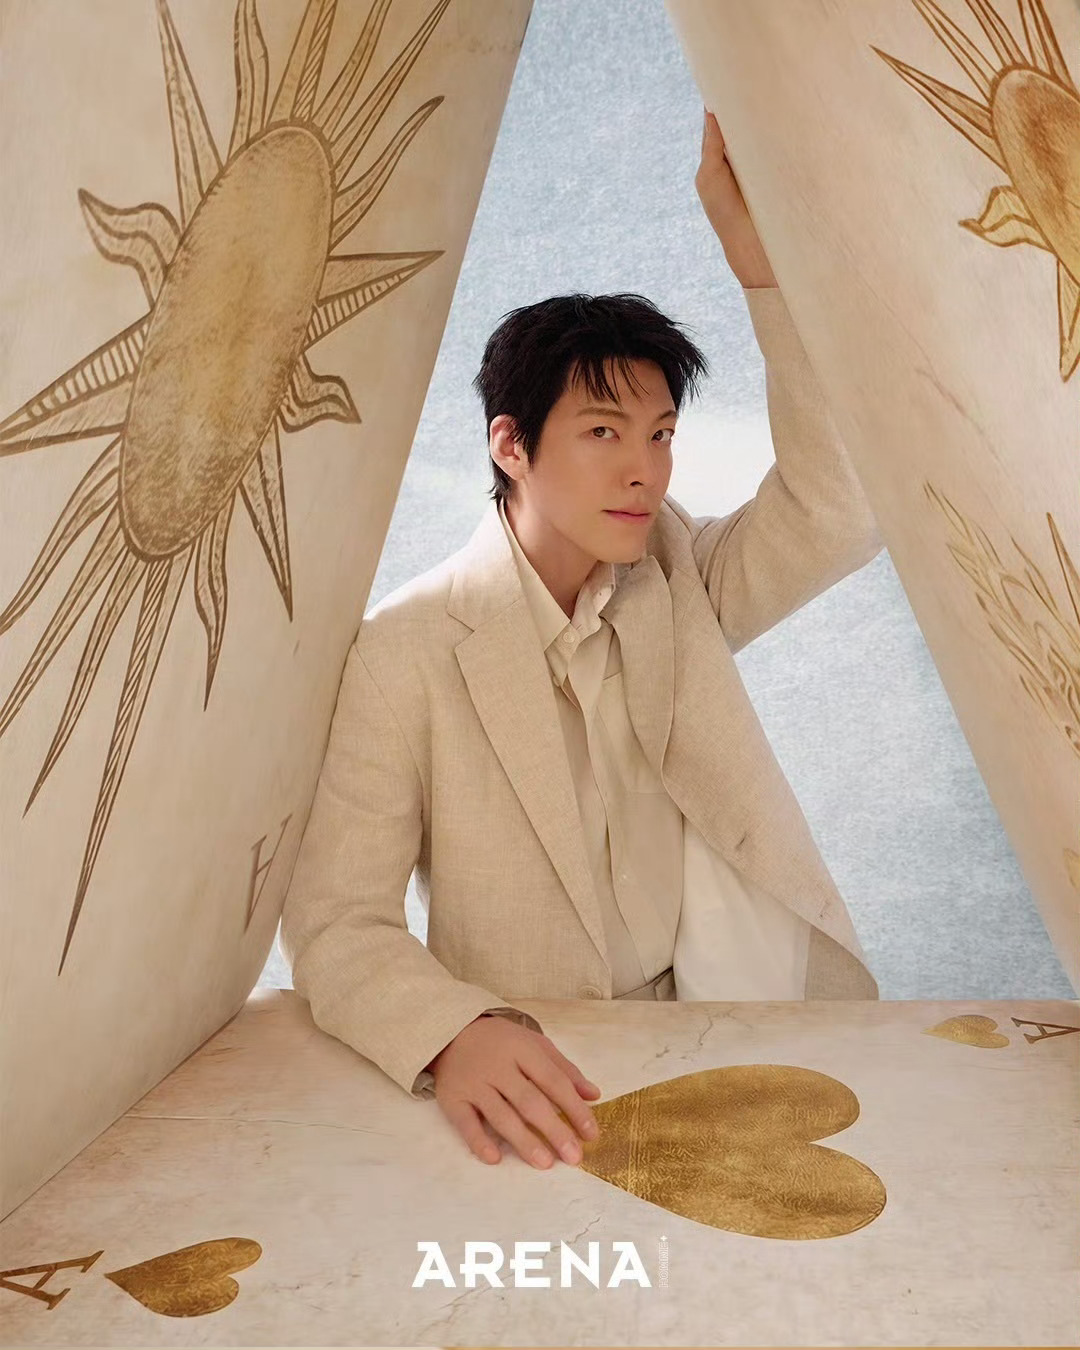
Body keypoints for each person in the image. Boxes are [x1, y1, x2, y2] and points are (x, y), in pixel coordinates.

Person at [281, 110, 883, 1173]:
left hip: (722, 1020)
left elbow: (841, 508)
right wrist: (454, 1034)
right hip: (537, 1065)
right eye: (603, 433)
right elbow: (338, 923)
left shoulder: (680, 575)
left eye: (660, 435)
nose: (643, 469)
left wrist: (765, 273)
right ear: (511, 445)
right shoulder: (404, 652)